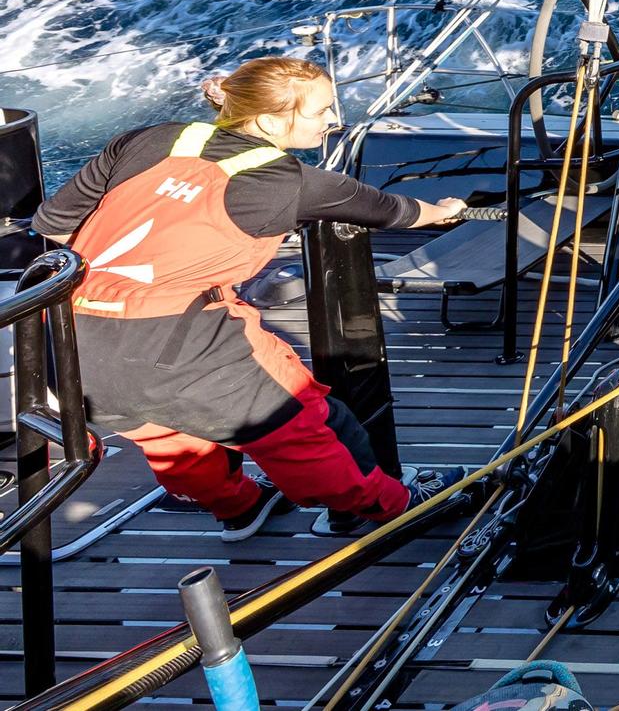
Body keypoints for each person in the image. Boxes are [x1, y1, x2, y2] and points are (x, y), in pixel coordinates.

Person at [31, 57, 469, 539]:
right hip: (180, 338)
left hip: (70, 340)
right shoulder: (291, 182)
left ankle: (238, 508)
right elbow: (390, 210)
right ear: (269, 121)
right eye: (321, 111)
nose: (333, 121)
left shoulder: (148, 138)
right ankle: (395, 506)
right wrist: (441, 210)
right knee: (308, 426)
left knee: (167, 436)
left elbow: (54, 223)